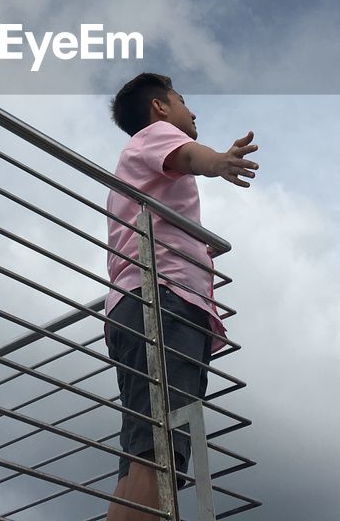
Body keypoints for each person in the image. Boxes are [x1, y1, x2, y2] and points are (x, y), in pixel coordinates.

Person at [103, 72, 259, 521]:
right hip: (163, 303)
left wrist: (195, 247)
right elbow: (190, 155)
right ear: (160, 108)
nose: (192, 112)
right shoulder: (156, 136)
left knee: (142, 453)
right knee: (161, 454)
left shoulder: (135, 162)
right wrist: (221, 163)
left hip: (138, 304)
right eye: (183, 101)